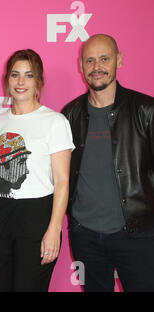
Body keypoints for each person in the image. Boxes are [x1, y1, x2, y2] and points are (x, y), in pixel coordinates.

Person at [0, 49, 74, 291]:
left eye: (28, 75)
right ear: (7, 79)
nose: (21, 82)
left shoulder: (55, 122)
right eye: (15, 75)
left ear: (39, 81)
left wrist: (54, 229)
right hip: (0, 213)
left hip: (37, 216)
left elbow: (62, 181)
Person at [61, 34, 154, 292]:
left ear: (119, 60)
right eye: (89, 60)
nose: (96, 67)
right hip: (85, 235)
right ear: (81, 66)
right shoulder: (69, 115)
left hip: (137, 234)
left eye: (104, 58)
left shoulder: (146, 109)